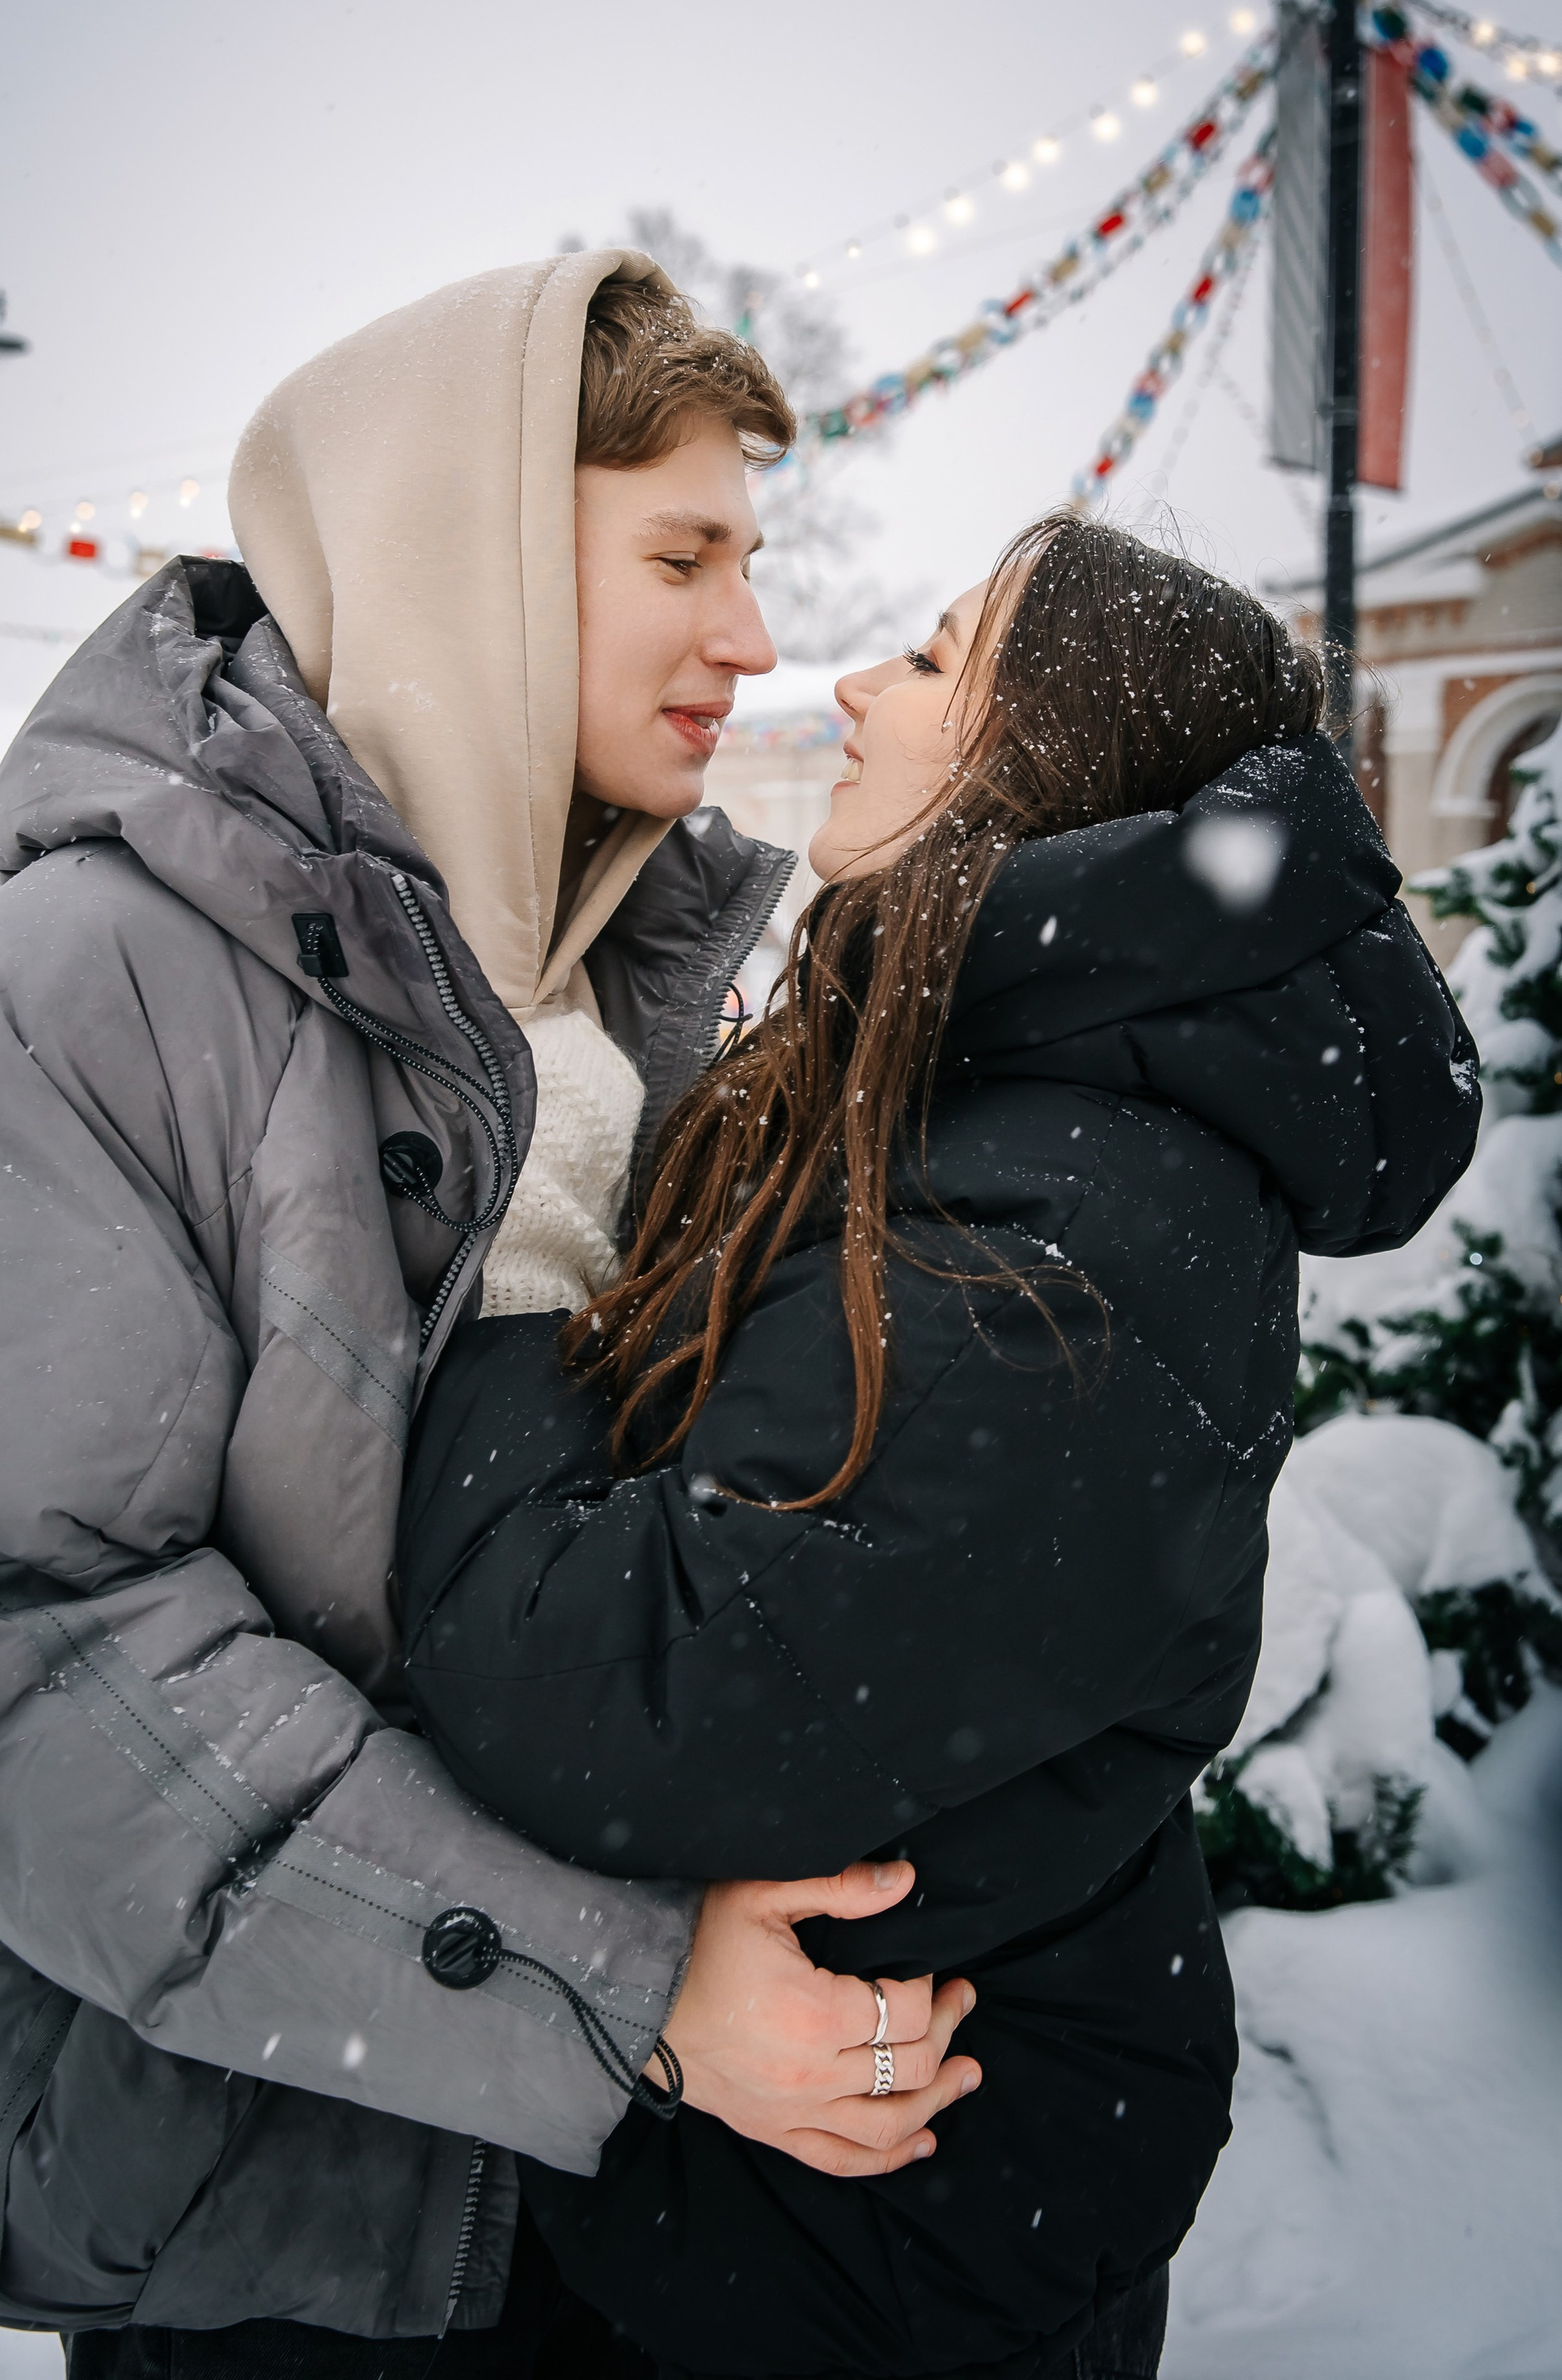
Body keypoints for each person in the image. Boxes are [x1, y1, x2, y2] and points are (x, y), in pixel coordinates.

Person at [0, 251, 976, 2373]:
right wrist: (616, 1979)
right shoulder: (96, 971)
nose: (753, 633)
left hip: (619, 2208)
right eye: (684, 555)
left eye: (754, 558)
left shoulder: (638, 994)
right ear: (481, 565)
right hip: (278, 2209)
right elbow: (47, 1653)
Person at [398, 511, 1484, 2380]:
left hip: (864, 2247)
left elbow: (646, 1694)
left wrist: (509, 1305)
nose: (843, 684)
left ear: (1036, 759)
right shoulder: (1016, 1105)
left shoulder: (1058, 1239)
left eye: (925, 658)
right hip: (862, 2214)